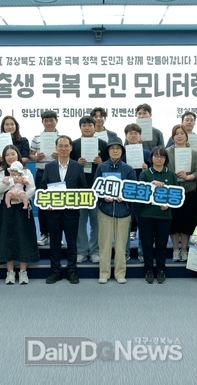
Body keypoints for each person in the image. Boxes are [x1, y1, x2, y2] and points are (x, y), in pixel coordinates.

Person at [41, 135, 88, 284]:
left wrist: (76, 202)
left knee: (72, 243)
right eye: (60, 146)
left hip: (71, 212)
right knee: (54, 243)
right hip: (52, 212)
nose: (63, 149)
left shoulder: (77, 166)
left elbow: (83, 188)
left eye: (66, 146)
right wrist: (47, 202)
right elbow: (43, 187)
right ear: (56, 148)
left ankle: (71, 271)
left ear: (71, 148)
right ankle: (55, 271)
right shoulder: (49, 167)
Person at [0, 145, 39, 284]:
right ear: (3, 157)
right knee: (7, 238)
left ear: (18, 155)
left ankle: (23, 272)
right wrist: (13, 180)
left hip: (22, 208)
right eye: (7, 155)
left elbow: (31, 188)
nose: (10, 157)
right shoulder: (0, 172)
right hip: (5, 209)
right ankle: (10, 272)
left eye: (13, 154)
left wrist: (19, 198)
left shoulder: (26, 171)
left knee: (23, 237)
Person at [94, 139, 136, 284]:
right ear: (108, 151)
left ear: (122, 151)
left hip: (123, 210)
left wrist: (124, 197)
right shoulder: (101, 167)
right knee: (104, 244)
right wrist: (103, 197)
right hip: (105, 210)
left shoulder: (128, 169)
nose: (115, 151)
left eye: (118, 148)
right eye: (112, 148)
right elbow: (96, 188)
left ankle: (120, 273)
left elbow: (133, 189)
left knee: (121, 245)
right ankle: (104, 273)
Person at [71, 115, 109, 263]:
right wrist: (76, 163)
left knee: (96, 222)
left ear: (95, 127)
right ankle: (81, 250)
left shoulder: (103, 144)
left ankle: (95, 251)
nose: (87, 128)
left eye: (89, 125)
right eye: (84, 125)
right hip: (79, 189)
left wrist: (102, 162)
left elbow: (109, 166)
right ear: (80, 128)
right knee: (80, 222)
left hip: (97, 189)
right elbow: (68, 165)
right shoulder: (73, 144)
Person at [137, 146, 178, 284]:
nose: (159, 159)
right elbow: (139, 194)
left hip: (164, 216)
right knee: (147, 244)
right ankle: (148, 269)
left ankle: (161, 269)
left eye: (162, 156)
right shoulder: (145, 174)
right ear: (151, 158)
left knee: (161, 245)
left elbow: (176, 194)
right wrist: (151, 184)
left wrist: (168, 204)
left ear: (166, 159)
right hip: (146, 214)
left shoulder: (171, 174)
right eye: (156, 156)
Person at [166, 124, 197, 262]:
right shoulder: (167, 152)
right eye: (176, 133)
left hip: (190, 191)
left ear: (186, 136)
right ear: (172, 137)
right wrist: (173, 175)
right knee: (174, 222)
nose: (179, 136)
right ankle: (175, 249)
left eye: (182, 133)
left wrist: (189, 176)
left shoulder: (193, 152)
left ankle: (184, 249)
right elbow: (163, 169)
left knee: (187, 222)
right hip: (173, 192)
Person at [121, 122, 151, 262]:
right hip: (126, 192)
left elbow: (152, 174)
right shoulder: (121, 153)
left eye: (136, 133)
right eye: (130, 133)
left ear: (140, 136)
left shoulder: (147, 154)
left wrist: (146, 169)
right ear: (126, 136)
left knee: (143, 225)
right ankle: (125, 252)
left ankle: (142, 252)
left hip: (142, 193)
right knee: (125, 225)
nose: (133, 136)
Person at [29, 110, 59, 246]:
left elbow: (68, 154)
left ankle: (57, 235)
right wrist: (36, 157)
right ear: (42, 122)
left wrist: (60, 156)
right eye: (46, 121)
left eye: (51, 120)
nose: (49, 123)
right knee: (43, 204)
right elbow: (31, 155)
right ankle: (44, 234)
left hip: (58, 173)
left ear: (56, 121)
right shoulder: (37, 137)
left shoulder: (61, 137)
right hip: (42, 173)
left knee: (58, 204)